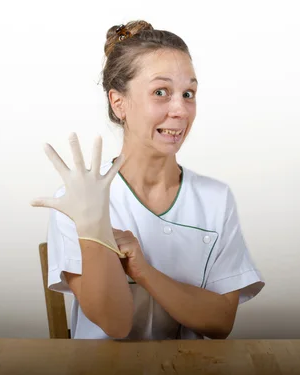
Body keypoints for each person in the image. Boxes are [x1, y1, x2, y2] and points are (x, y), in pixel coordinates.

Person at [31, 20, 265, 340]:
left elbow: (221, 321)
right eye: (160, 92)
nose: (180, 110)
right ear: (119, 102)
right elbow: (115, 323)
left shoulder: (215, 199)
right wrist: (92, 228)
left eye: (188, 93)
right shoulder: (80, 200)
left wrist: (144, 272)